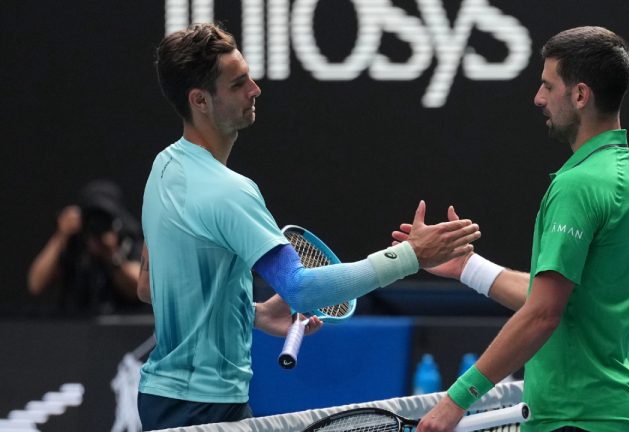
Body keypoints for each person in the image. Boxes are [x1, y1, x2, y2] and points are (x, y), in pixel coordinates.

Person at [137, 22, 481, 430]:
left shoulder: (164, 167)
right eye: (237, 84)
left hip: (164, 398)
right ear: (200, 100)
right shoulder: (229, 192)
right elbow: (300, 289)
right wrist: (410, 256)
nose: (255, 89)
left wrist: (254, 312)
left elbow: (148, 285)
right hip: (203, 410)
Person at [394, 27, 629, 431]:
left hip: (571, 419)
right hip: (615, 415)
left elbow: (543, 314)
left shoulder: (578, 185)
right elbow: (562, 301)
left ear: (579, 95)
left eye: (547, 85)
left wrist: (454, 401)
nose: (538, 98)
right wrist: (468, 268)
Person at [27, 180, 145, 316]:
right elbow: (35, 285)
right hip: (75, 329)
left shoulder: (129, 240)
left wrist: (111, 256)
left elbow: (141, 288)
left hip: (123, 329)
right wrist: (60, 236)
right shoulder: (74, 243)